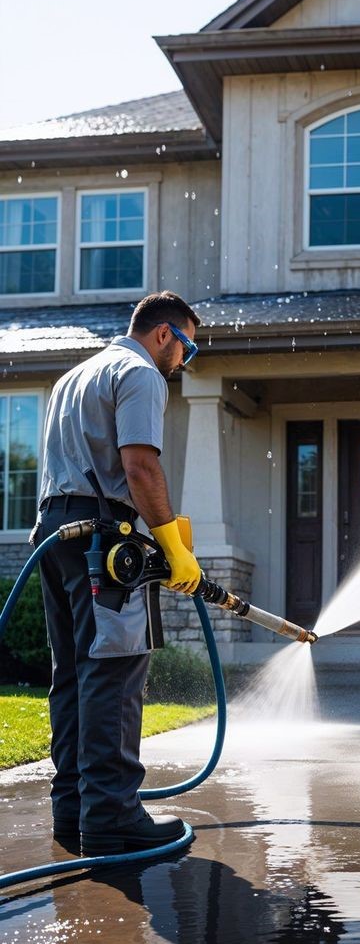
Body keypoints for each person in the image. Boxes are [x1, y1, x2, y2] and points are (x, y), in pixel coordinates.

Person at [33, 291, 203, 856]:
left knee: (75, 675)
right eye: (188, 348)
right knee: (114, 672)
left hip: (54, 536)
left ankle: (74, 811)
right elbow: (139, 465)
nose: (184, 362)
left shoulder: (73, 377)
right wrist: (171, 544)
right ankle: (111, 817)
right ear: (164, 336)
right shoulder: (140, 372)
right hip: (104, 542)